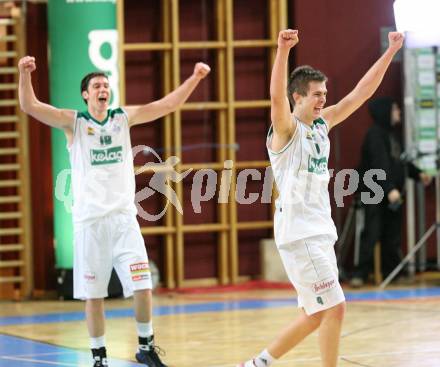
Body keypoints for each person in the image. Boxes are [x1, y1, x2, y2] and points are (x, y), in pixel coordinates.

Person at [18, 56, 210, 367]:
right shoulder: (74, 122)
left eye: (106, 84)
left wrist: (195, 79)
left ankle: (145, 345)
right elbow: (31, 106)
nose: (103, 88)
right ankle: (99, 357)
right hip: (90, 224)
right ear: (86, 94)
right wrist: (24, 74)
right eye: (97, 85)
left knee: (143, 285)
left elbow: (166, 105)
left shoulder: (123, 118)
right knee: (94, 296)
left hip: (123, 221)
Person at [237, 29, 403, 367]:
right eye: (316, 94)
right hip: (301, 232)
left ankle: (258, 363)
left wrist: (390, 51)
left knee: (315, 314)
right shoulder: (286, 129)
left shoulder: (322, 124)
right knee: (334, 307)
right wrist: (282, 50)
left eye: (325, 93)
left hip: (317, 229)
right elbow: (275, 98)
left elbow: (360, 95)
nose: (323, 99)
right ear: (297, 98)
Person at [350, 97, 431, 287]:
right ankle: (360, 273)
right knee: (372, 232)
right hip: (375, 192)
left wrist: (419, 175)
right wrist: (390, 189)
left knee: (392, 234)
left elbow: (400, 162)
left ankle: (391, 272)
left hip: (390, 193)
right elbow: (380, 165)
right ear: (385, 111)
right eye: (395, 109)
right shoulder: (375, 135)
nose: (398, 113)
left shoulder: (391, 136)